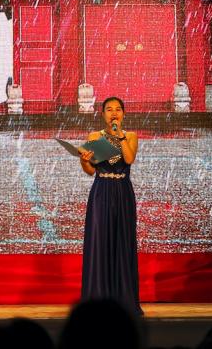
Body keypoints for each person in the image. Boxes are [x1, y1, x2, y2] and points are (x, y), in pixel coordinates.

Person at [76, 97, 142, 315]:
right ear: (102, 114)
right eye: (109, 110)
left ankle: (124, 301)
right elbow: (90, 170)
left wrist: (119, 134)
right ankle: (97, 300)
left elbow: (129, 159)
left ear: (123, 113)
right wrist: (84, 160)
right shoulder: (95, 137)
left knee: (123, 241)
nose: (114, 113)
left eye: (118, 109)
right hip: (101, 191)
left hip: (122, 192)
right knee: (99, 241)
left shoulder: (131, 136)